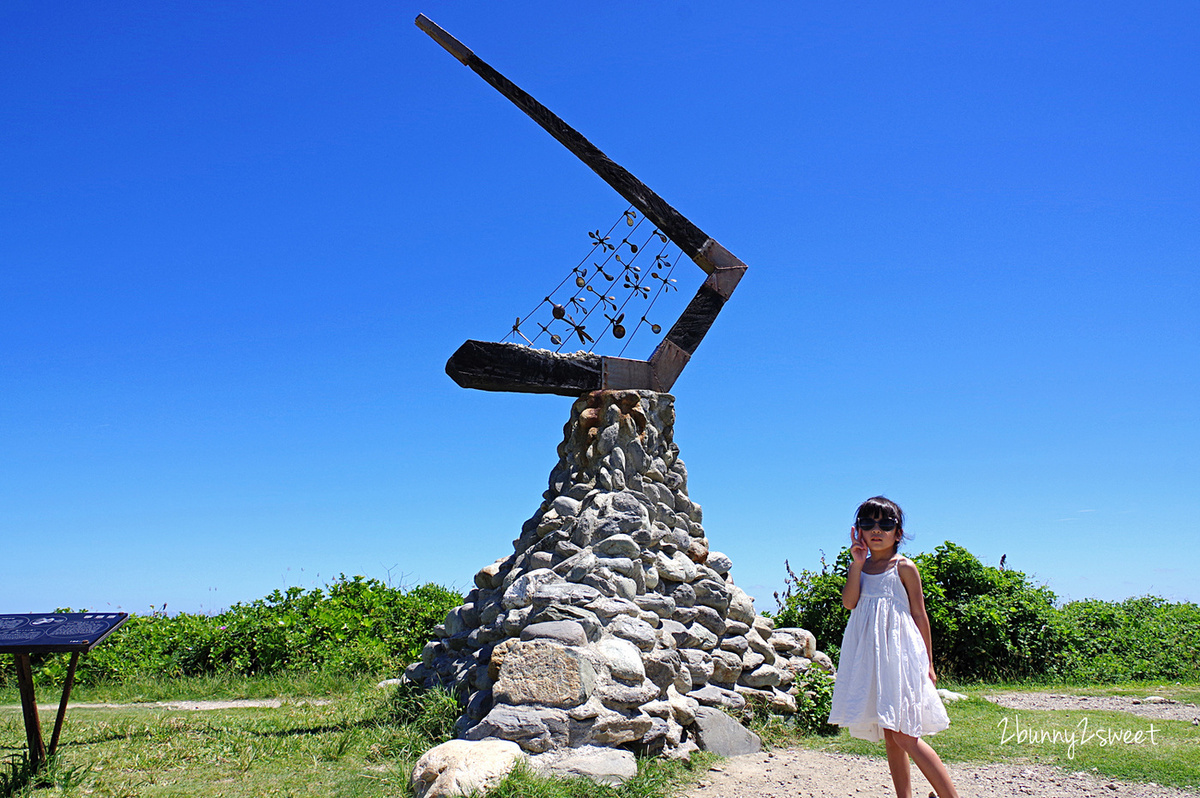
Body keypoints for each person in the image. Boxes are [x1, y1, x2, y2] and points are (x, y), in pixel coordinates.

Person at [827, 496, 960, 798]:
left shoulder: (904, 567)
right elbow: (850, 603)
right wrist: (857, 564)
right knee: (890, 734)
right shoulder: (858, 567)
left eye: (885, 524)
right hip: (872, 659)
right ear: (857, 530)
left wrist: (929, 663)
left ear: (898, 533)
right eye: (867, 523)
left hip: (901, 656)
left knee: (905, 735)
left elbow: (919, 614)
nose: (877, 530)